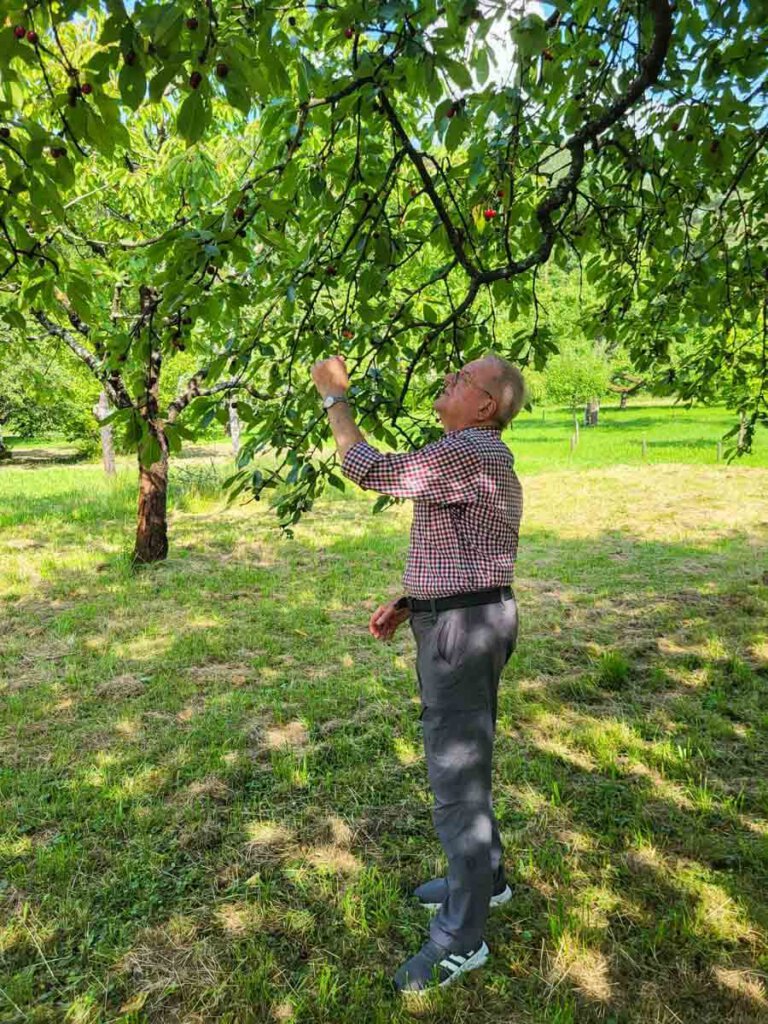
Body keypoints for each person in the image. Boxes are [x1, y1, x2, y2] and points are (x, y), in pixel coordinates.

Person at [310, 352, 525, 995]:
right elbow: (468, 548)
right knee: (466, 758)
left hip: (463, 633)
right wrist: (412, 602)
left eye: (461, 379)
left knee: (456, 775)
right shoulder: (475, 460)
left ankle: (463, 938)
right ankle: (489, 877)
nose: (448, 380)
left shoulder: (471, 452)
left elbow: (369, 468)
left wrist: (334, 400)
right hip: (466, 615)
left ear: (486, 406)